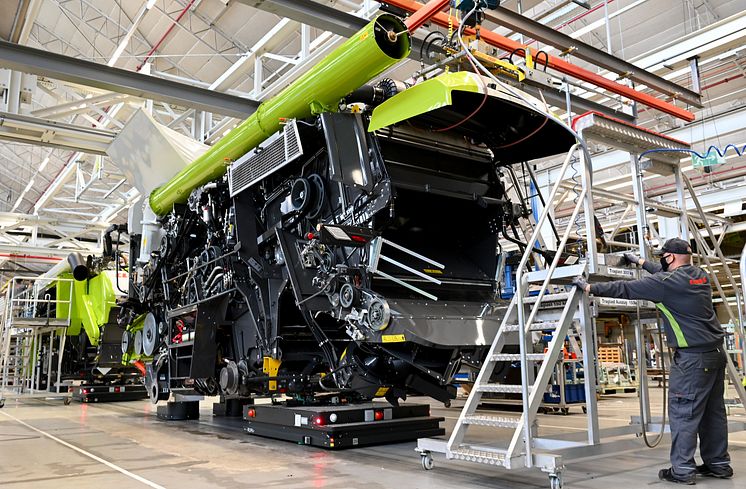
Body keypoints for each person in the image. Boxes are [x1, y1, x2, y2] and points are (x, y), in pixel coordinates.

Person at [572, 238, 732, 485]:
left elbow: (627, 289)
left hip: (692, 361)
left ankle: (682, 470)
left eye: (662, 257)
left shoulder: (665, 284)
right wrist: (642, 262)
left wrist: (590, 288)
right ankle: (718, 464)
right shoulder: (698, 276)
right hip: (715, 355)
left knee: (684, 413)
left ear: (669, 258)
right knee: (713, 414)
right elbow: (663, 274)